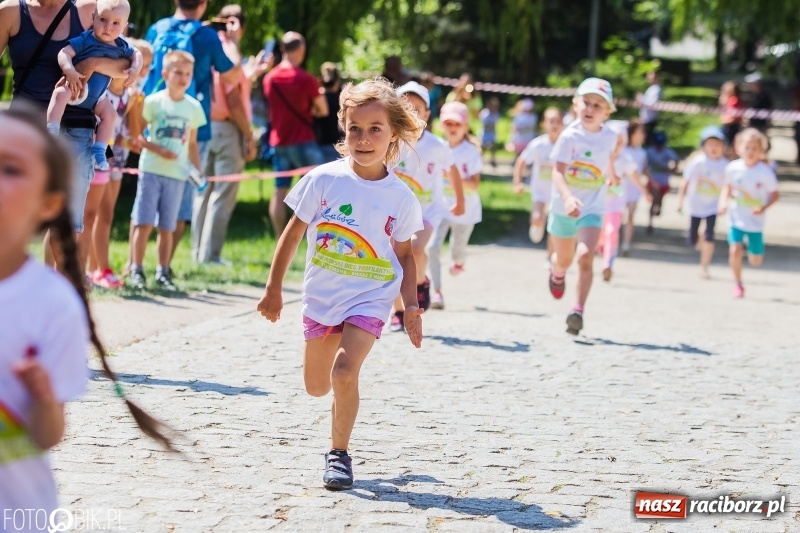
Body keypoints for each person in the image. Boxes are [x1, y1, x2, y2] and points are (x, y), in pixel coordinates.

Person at [0, 105, 172, 523]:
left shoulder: (52, 304)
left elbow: (49, 434)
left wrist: (42, 396)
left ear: (48, 203)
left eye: (10, 168)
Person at [256, 78, 425, 490]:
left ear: (393, 135)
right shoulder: (323, 180)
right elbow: (293, 234)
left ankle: (339, 455)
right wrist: (274, 288)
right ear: (342, 128)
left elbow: (404, 255)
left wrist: (411, 305)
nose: (364, 139)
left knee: (344, 372)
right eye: (355, 128)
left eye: (375, 129)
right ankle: (334, 430)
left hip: (371, 295)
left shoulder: (400, 196)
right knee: (317, 386)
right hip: (322, 296)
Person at [0, 0, 136, 274]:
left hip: (77, 128)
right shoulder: (10, 11)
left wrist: (93, 62)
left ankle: (54, 291)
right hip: (28, 128)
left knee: (65, 221)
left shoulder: (89, 10)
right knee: (11, 212)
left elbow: (124, 64)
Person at [144, 0, 244, 266]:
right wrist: (231, 41)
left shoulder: (157, 28)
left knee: (147, 199)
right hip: (192, 131)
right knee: (181, 203)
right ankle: (163, 267)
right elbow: (233, 76)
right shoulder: (208, 36)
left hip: (155, 126)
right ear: (204, 4)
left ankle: (137, 265)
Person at [128, 50, 206, 291]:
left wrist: (198, 170)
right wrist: (159, 150)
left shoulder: (193, 107)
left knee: (167, 226)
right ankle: (136, 270)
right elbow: (138, 136)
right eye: (178, 73)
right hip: (152, 170)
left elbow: (192, 144)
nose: (183, 78)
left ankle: (163, 271)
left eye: (188, 74)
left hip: (177, 175)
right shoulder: (153, 102)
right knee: (144, 222)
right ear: (165, 74)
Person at [547, 78, 619, 336]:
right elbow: (557, 173)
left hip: (593, 207)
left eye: (597, 105)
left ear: (607, 111)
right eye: (586, 103)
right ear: (576, 104)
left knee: (585, 256)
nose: (590, 109)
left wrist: (612, 174)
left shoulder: (611, 136)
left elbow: (608, 156)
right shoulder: (569, 136)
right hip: (563, 207)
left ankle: (577, 310)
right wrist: (567, 198)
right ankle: (556, 272)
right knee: (564, 260)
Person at [389, 82, 464, 323]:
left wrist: (460, 200)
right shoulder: (389, 142)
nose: (411, 112)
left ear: (427, 115)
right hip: (394, 214)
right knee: (392, 259)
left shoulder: (436, 145)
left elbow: (452, 170)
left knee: (416, 249)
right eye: (405, 107)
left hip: (427, 212)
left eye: (417, 108)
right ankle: (399, 311)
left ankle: (421, 282)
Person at [192, 4, 260, 265]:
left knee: (203, 190)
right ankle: (211, 256)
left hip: (204, 124)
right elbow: (232, 99)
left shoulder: (208, 43)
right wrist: (248, 135)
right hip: (227, 128)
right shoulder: (229, 49)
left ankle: (199, 254)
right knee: (223, 194)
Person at [46, 0, 143, 171]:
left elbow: (137, 54)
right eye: (103, 19)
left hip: (98, 98)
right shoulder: (86, 38)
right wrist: (69, 70)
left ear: (124, 26)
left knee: (110, 115)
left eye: (116, 23)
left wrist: (135, 68)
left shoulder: (121, 45)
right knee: (60, 93)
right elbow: (64, 53)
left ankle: (100, 148)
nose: (108, 27)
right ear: (94, 17)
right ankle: (52, 129)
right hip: (75, 87)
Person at [262, 31, 328, 236]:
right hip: (304, 140)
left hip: (279, 141)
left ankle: (280, 237)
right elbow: (323, 109)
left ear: (282, 49)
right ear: (300, 51)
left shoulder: (269, 78)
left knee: (279, 190)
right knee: (318, 191)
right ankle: (315, 235)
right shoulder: (306, 79)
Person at [428, 101, 483, 308]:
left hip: (465, 210)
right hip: (440, 207)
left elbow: (475, 185)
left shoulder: (471, 151)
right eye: (448, 123)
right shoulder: (436, 147)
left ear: (465, 126)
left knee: (457, 251)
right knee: (432, 247)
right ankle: (437, 292)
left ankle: (459, 262)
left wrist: (453, 178)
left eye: (457, 124)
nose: (452, 128)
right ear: (441, 125)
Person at [718, 128, 780, 298]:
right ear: (738, 148)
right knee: (735, 250)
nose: (750, 152)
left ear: (761, 151)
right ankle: (738, 284)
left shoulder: (765, 172)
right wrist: (723, 203)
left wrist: (763, 208)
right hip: (736, 217)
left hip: (755, 221)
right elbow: (727, 187)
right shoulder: (732, 168)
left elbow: (775, 195)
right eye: (747, 147)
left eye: (755, 148)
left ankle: (755, 253)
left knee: (756, 261)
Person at [597, 120, 650, 282]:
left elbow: (635, 176)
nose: (617, 146)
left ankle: (608, 263)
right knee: (600, 234)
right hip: (598, 205)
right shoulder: (599, 157)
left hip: (616, 204)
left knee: (612, 231)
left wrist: (645, 192)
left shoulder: (626, 158)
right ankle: (601, 248)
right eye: (615, 142)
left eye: (621, 143)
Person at [676, 126, 729, 279]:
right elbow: (685, 183)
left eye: (717, 144)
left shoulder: (726, 165)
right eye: (710, 144)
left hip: (713, 206)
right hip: (695, 206)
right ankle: (702, 245)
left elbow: (729, 186)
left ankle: (704, 267)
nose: (714, 148)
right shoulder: (697, 162)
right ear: (704, 145)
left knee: (709, 235)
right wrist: (680, 201)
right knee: (693, 240)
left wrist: (725, 203)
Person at [513, 107, 563, 249]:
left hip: (557, 192)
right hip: (540, 190)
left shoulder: (565, 145)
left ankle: (550, 255)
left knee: (554, 227)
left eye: (558, 121)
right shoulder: (538, 144)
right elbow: (521, 162)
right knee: (537, 218)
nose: (554, 125)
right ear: (544, 124)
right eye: (551, 121)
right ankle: (537, 225)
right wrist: (518, 182)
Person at [620, 120, 649, 257]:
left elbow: (642, 170)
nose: (643, 135)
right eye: (640, 132)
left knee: (630, 216)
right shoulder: (621, 150)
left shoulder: (642, 152)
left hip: (634, 189)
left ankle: (626, 244)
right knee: (615, 216)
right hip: (618, 189)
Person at [645, 131, 679, 234]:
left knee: (659, 200)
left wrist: (672, 169)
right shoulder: (649, 152)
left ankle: (658, 209)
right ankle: (650, 222)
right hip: (653, 180)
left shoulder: (667, 151)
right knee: (654, 200)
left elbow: (676, 160)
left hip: (664, 181)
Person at [315, 62, 344, 163]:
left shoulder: (317, 100)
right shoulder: (341, 100)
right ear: (337, 82)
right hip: (335, 143)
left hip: (318, 143)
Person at [638, 70, 661, 146]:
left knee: (647, 139)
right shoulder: (651, 88)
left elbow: (651, 104)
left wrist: (641, 99)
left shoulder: (656, 89)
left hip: (650, 118)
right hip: (645, 117)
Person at [719, 80, 745, 146]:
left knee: (730, 145)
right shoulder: (731, 100)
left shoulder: (734, 100)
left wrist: (725, 120)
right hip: (730, 126)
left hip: (732, 127)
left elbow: (732, 116)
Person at [479, 97, 500, 166]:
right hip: (485, 133)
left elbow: (493, 125)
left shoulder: (495, 113)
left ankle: (492, 160)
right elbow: (486, 125)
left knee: (493, 147)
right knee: (483, 147)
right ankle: (480, 160)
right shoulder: (484, 113)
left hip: (491, 133)